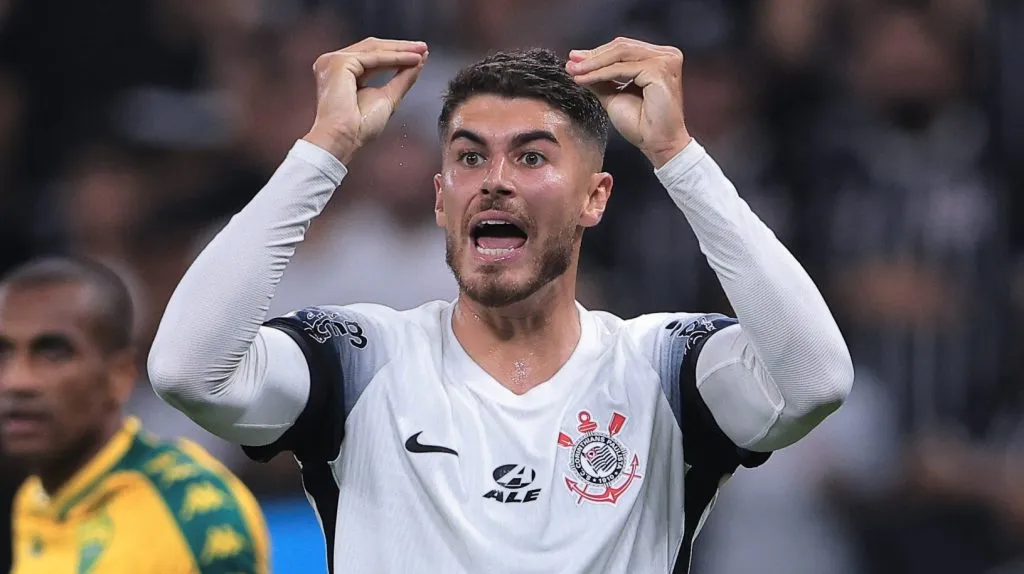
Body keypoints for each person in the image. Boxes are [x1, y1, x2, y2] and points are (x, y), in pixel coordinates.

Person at [148, 37, 854, 573]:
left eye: (532, 157)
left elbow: (816, 381)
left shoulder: (663, 363)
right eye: (469, 157)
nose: (494, 182)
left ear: (594, 198)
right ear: (439, 198)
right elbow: (188, 370)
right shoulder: (360, 355)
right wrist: (325, 147)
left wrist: (677, 154)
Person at [0, 257, 270, 573]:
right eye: (3, 352)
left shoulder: (190, 516)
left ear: (120, 375)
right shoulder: (35, 498)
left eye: (53, 352)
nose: (16, 381)